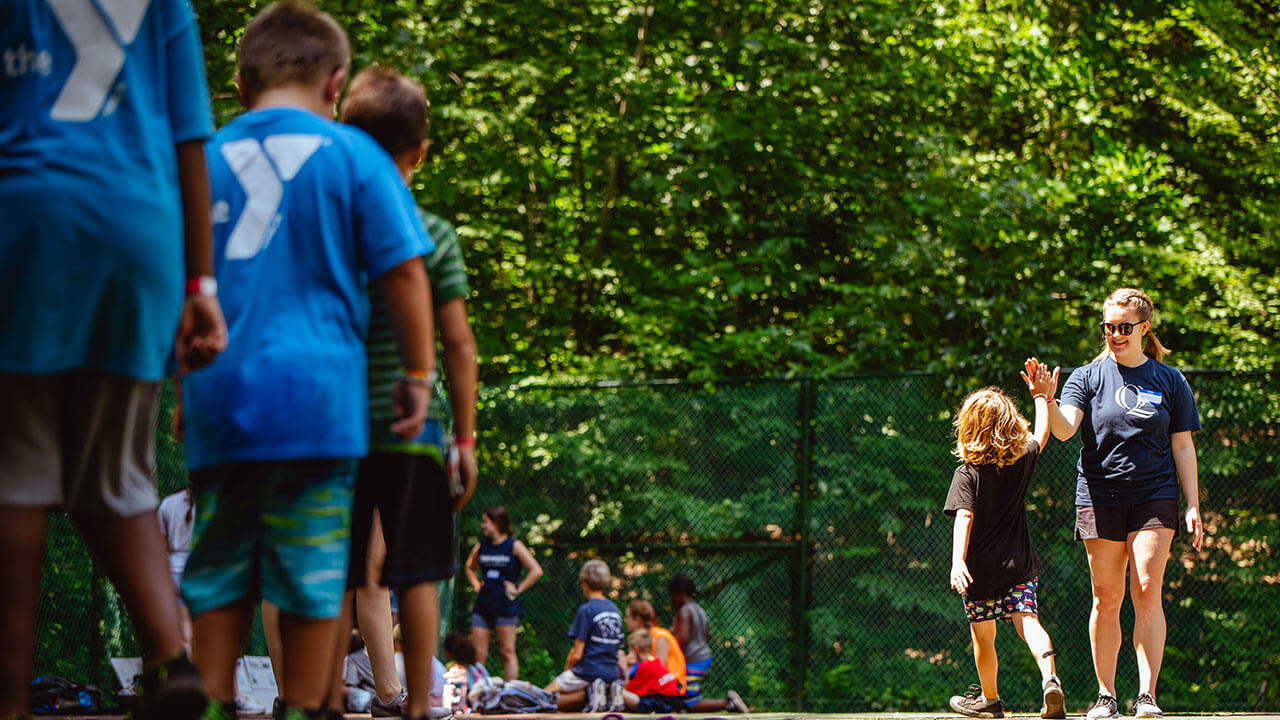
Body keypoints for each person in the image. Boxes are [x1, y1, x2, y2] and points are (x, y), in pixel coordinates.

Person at [178, 3, 437, 720]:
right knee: (316, 574)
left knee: (222, 572)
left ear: (239, 86)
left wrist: (179, 391)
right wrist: (417, 376)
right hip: (319, 406)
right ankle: (306, 708)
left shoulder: (205, 159)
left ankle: (211, 701)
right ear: (336, 84)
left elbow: (179, 281)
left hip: (220, 399)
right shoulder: (353, 155)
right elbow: (407, 274)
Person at [0, 0, 226, 717]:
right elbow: (190, 140)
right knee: (119, 476)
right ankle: (170, 657)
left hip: (24, 214)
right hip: (138, 230)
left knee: (16, 475)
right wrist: (200, 286)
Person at [317, 64, 481, 720]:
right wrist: (464, 439)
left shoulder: (330, 229)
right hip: (412, 427)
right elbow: (458, 344)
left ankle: (319, 697)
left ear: (342, 137)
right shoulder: (432, 231)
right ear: (421, 151)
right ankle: (419, 702)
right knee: (414, 569)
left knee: (335, 570)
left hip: (330, 422)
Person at [1033, 288, 1204, 720]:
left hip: (1155, 494)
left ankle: (1146, 696)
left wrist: (1192, 504)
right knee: (1106, 599)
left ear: (1144, 329)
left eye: (1124, 327)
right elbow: (1066, 429)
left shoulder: (1171, 380)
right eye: (1108, 326)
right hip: (1099, 495)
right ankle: (1105, 696)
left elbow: (1182, 446)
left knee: (1146, 589)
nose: (1114, 334)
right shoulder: (1086, 377)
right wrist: (1045, 399)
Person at [943, 369, 1064, 720]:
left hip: (980, 572)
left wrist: (957, 562)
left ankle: (990, 699)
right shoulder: (1022, 459)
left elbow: (964, 517)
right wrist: (1042, 396)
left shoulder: (966, 473)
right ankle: (1050, 679)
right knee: (1028, 621)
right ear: (1010, 424)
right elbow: (1041, 434)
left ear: (968, 427)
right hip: (1019, 566)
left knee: (984, 637)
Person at [465, 506, 544, 680]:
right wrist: (476, 585)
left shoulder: (513, 545)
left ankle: (510, 695)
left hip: (505, 603)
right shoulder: (482, 546)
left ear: (496, 523)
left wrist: (518, 588)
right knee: (478, 653)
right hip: (483, 602)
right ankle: (476, 693)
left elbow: (536, 570)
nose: (482, 525)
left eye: (486, 521)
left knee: (507, 651)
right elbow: (470, 568)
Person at [544, 559, 626, 712]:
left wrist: (566, 671)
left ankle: (590, 695)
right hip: (612, 672)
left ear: (584, 582)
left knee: (543, 696)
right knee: (576, 695)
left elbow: (577, 653)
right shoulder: (614, 610)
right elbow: (618, 648)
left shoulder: (586, 610)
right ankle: (598, 694)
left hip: (589, 670)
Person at [666, 574, 747, 713]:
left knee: (689, 702)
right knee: (683, 695)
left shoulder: (684, 610)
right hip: (703, 656)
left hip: (693, 660)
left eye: (672, 595)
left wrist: (668, 639)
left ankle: (728, 703)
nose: (671, 600)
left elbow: (683, 638)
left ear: (680, 593)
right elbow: (707, 635)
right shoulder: (699, 609)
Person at [624, 600, 686, 694]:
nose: (625, 620)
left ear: (638, 619)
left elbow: (659, 669)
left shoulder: (660, 636)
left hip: (672, 687)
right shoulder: (640, 638)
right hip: (656, 684)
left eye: (628, 617)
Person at [620, 629, 685, 714]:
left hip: (664, 704)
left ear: (636, 649)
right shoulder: (656, 662)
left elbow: (630, 690)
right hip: (674, 701)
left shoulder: (645, 666)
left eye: (630, 650)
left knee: (621, 693)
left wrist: (625, 668)